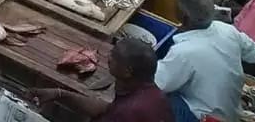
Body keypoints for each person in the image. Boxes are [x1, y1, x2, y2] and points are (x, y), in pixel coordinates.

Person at [156, 0, 255, 122]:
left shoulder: (184, 52)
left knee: (153, 96)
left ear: (185, 18)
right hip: (230, 112)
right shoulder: (227, 30)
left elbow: (157, 83)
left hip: (207, 117)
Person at [33, 34, 171, 122]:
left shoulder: (129, 113)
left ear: (127, 72)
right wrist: (61, 94)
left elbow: (117, 113)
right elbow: (109, 109)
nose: (108, 58)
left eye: (115, 57)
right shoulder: (154, 94)